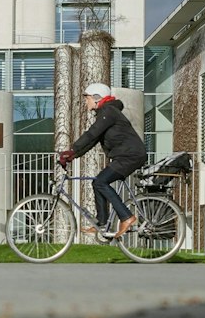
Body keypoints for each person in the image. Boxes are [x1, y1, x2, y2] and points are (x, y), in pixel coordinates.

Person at [58, 82, 147, 239]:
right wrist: (72, 155)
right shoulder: (107, 113)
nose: (86, 102)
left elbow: (92, 133)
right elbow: (93, 140)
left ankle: (126, 217)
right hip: (126, 156)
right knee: (97, 182)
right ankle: (102, 224)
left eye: (87, 98)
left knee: (100, 182)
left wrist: (72, 149)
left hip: (130, 156)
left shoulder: (108, 111)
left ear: (97, 98)